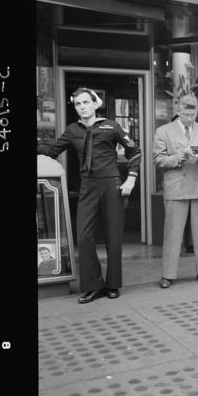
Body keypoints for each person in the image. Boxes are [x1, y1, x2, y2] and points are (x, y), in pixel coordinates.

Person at [37, 87, 141, 303]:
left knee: (113, 237)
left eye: (86, 102)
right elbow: (53, 151)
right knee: (84, 237)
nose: (83, 107)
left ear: (95, 103)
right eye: (78, 104)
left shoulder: (111, 126)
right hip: (88, 187)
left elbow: (135, 151)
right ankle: (94, 286)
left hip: (111, 186)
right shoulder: (72, 130)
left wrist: (131, 178)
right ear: (75, 107)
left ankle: (112, 285)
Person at [152, 94, 198, 289]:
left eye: (193, 114)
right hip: (176, 187)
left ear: (197, 111)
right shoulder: (163, 131)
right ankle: (168, 275)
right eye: (185, 114)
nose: (189, 119)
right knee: (173, 233)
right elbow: (158, 160)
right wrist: (180, 155)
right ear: (177, 111)